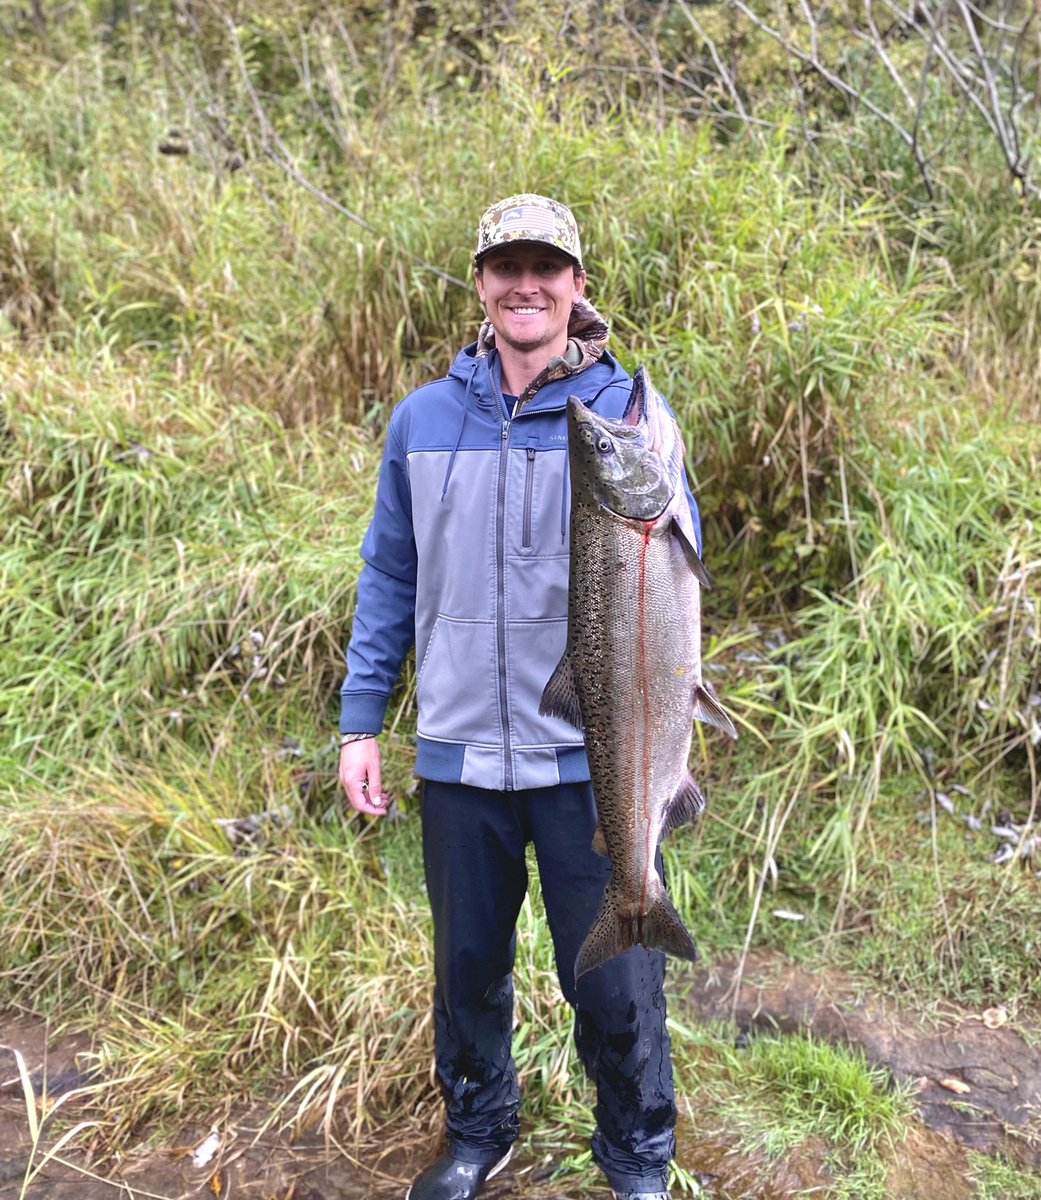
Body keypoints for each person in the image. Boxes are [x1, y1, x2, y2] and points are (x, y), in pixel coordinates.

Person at [338, 194, 702, 1200]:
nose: (527, 283)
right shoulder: (422, 420)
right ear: (483, 285)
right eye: (508, 265)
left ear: (578, 286)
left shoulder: (624, 418)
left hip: (591, 755)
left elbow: (681, 568)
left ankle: (637, 1156)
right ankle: (479, 1130)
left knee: (617, 983)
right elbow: (388, 578)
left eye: (548, 265)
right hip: (456, 753)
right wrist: (362, 723)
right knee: (466, 970)